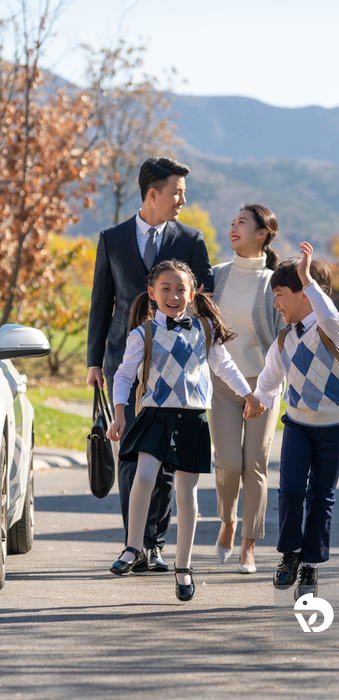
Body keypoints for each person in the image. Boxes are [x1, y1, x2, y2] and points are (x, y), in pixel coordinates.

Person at [106, 260, 265, 601]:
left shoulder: (205, 330)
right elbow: (123, 376)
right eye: (165, 289)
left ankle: (183, 567)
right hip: (154, 416)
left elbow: (226, 367)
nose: (174, 295)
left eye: (181, 289)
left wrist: (248, 394)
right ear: (152, 294)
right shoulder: (142, 334)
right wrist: (119, 414)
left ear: (192, 294)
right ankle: (133, 548)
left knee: (186, 494)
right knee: (144, 477)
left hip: (192, 419)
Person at [87, 156, 213, 573]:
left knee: (165, 460)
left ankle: (156, 543)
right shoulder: (111, 238)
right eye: (177, 191)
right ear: (152, 194)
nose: (182, 199)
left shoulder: (191, 239)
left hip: (174, 368)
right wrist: (93, 363)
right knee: (133, 458)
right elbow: (101, 305)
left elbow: (204, 301)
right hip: (125, 361)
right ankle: (134, 542)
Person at [247, 242, 339, 599]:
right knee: (291, 491)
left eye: (280, 294)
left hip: (333, 430)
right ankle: (290, 555)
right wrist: (257, 402)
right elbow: (269, 379)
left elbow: (328, 313)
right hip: (297, 427)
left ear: (307, 295)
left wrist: (308, 279)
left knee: (321, 496)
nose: (276, 303)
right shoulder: (283, 339)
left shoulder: (334, 331)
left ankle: (311, 566)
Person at [209, 205, 285, 574]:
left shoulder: (274, 282)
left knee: (255, 463)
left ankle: (249, 545)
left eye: (242, 222)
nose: (233, 227)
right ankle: (228, 520)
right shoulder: (215, 276)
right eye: (233, 221)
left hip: (265, 383)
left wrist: (269, 387)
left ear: (262, 234)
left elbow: (285, 335)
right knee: (228, 462)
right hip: (223, 383)